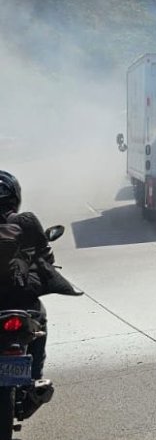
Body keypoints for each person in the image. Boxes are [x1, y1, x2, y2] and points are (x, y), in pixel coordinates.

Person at [0, 171, 80, 399]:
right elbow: (47, 257)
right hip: (20, 299)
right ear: (15, 196)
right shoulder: (26, 221)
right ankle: (33, 379)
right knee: (39, 321)